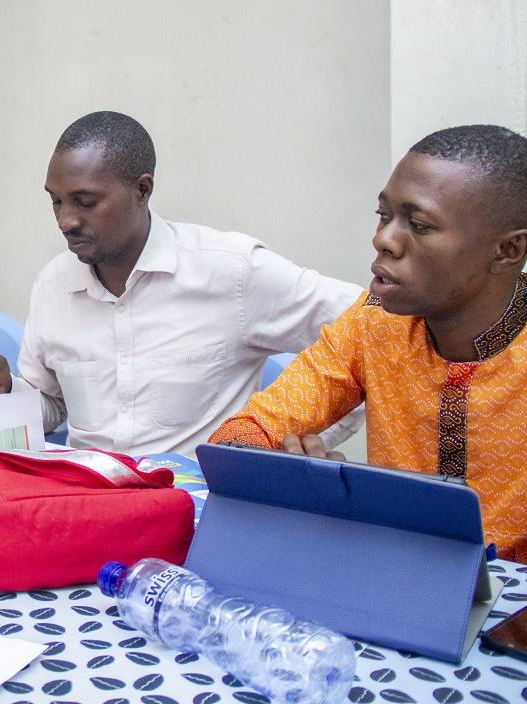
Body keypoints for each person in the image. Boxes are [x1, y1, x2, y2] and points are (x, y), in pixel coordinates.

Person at [0, 111, 361, 456]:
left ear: (142, 190)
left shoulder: (231, 272)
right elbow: (52, 405)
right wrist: (7, 391)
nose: (65, 221)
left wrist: (297, 442)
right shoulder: (53, 286)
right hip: (87, 503)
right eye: (56, 201)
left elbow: (374, 323)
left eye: (85, 202)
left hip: (196, 511)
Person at [210, 125, 527, 563]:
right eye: (384, 216)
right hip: (391, 580)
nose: (384, 239)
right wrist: (281, 471)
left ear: (508, 250)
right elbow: (247, 431)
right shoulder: (374, 321)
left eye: (418, 225)